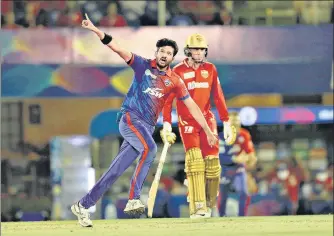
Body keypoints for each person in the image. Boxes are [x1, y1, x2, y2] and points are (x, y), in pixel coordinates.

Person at [71, 14, 218, 227]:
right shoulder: (142, 65)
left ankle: (83, 205)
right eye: (162, 51)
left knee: (115, 170)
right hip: (130, 118)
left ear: (172, 57)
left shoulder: (174, 81)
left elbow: (192, 106)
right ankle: (133, 199)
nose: (165, 55)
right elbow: (117, 48)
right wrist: (96, 31)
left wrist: (207, 130)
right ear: (156, 53)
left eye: (169, 53)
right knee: (149, 149)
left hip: (146, 126)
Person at [162, 33, 236, 218]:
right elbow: (168, 99)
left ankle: (210, 203)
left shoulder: (210, 69)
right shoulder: (177, 71)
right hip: (187, 121)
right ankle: (198, 206)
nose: (199, 52)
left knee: (212, 167)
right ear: (188, 50)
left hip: (207, 120)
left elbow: (218, 96)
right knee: (195, 163)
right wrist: (166, 123)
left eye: (202, 49)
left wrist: (226, 121)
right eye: (195, 49)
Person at [218, 111, 257, 217]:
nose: (236, 124)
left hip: (239, 168)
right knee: (223, 196)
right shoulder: (221, 137)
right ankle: (221, 216)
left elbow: (250, 152)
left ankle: (242, 217)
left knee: (244, 192)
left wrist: (251, 157)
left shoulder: (244, 135)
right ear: (228, 123)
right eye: (233, 122)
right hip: (224, 169)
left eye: (237, 122)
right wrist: (235, 158)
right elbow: (220, 157)